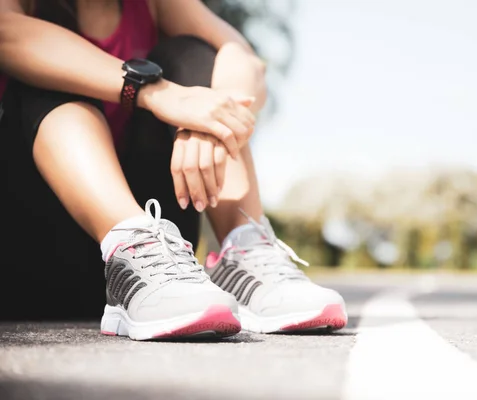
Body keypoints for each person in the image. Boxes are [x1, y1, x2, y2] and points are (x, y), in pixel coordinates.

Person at [0, 0, 347, 340]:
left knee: (193, 54)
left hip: (168, 271)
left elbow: (243, 58)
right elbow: (7, 32)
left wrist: (209, 121)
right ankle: (129, 243)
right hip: (37, 254)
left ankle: (244, 255)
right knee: (45, 62)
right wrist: (158, 93)